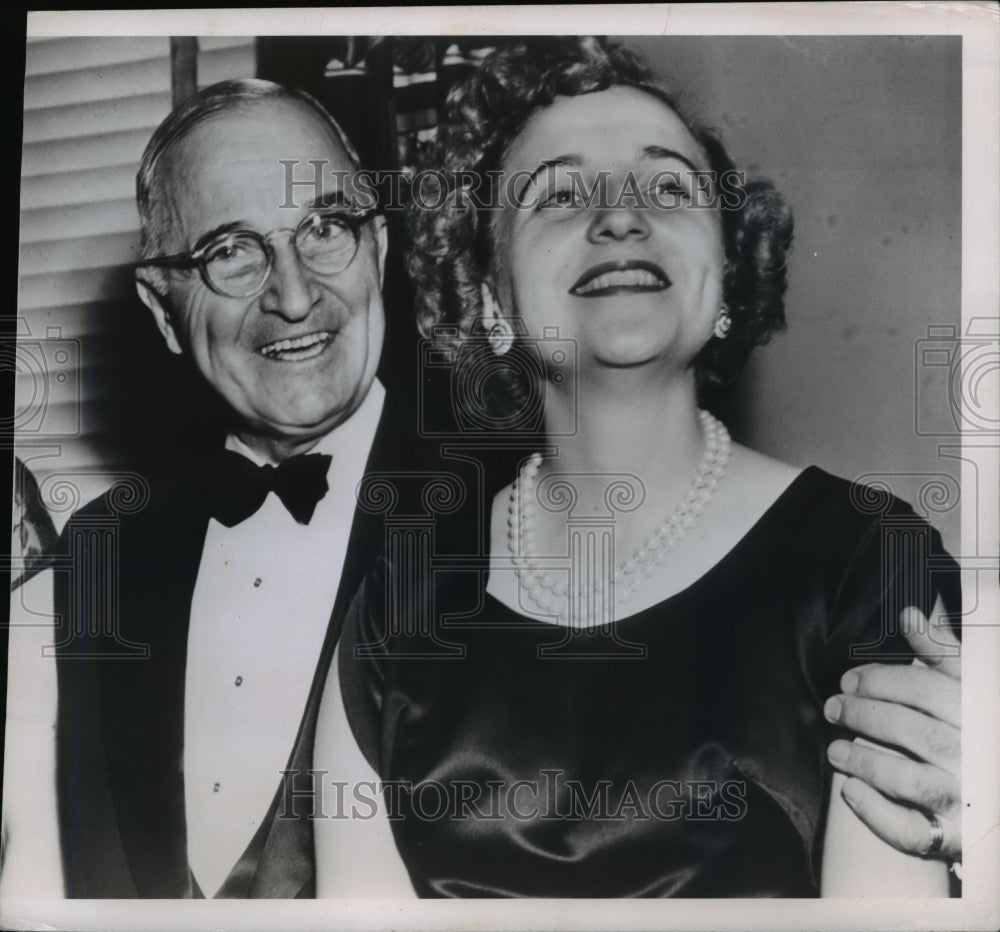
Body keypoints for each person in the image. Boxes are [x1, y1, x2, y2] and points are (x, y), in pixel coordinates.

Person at [317, 38, 962, 897]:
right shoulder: (395, 606)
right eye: (558, 195)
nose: (620, 217)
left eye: (667, 188)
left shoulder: (867, 565)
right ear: (489, 297)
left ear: (727, 276)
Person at [43, 77, 436, 899]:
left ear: (381, 250)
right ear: (161, 307)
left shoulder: (507, 519)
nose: (293, 296)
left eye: (324, 229)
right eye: (231, 251)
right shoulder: (98, 556)